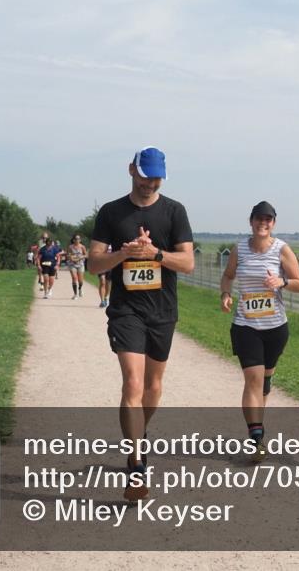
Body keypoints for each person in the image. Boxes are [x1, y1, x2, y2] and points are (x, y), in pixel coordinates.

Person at [87, 146, 194, 501]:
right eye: (145, 174)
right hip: (126, 311)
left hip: (162, 311)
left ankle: (138, 436)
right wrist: (124, 254)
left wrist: (156, 254)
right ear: (131, 169)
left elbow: (188, 263)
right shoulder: (111, 212)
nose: (150, 182)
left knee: (153, 387)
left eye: (156, 176)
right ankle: (136, 467)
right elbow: (93, 265)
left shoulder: (174, 212)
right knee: (132, 382)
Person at [219, 201, 299, 462]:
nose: (263, 223)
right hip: (246, 326)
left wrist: (282, 281)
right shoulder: (239, 249)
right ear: (251, 221)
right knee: (253, 380)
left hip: (276, 327)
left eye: (268, 220)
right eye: (259, 219)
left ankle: (257, 427)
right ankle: (256, 439)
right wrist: (225, 293)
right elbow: (228, 275)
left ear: (273, 223)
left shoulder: (282, 249)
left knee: (265, 381)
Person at [65, 234, 88, 300]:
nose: (77, 240)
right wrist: (71, 258)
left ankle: (80, 289)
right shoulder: (70, 247)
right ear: (73, 240)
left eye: (78, 239)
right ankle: (75, 294)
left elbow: (86, 255)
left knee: (80, 281)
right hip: (72, 264)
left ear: (80, 240)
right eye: (76, 239)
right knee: (74, 278)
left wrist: (81, 257)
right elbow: (68, 255)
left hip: (80, 264)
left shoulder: (82, 247)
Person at [98, 244, 113, 309]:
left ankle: (106, 297)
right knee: (102, 281)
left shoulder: (113, 243)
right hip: (101, 265)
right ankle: (102, 301)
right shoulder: (100, 243)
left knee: (108, 282)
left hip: (110, 265)